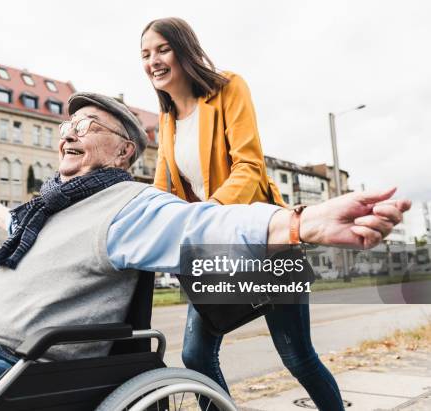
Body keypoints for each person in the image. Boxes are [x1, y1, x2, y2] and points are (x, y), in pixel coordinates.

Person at [0, 92, 409, 411]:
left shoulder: (129, 204)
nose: (69, 130)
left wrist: (299, 221)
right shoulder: (46, 209)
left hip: (15, 369)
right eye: (67, 123)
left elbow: (200, 223)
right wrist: (5, 218)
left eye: (89, 124)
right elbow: (31, 248)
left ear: (125, 151)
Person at [140, 17, 343, 410]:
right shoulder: (166, 120)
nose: (153, 61)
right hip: (214, 253)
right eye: (146, 55)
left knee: (298, 357)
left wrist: (209, 216)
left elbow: (249, 167)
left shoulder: (227, 87)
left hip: (265, 243)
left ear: (184, 49)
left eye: (162, 49)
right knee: (196, 357)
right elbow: (162, 188)